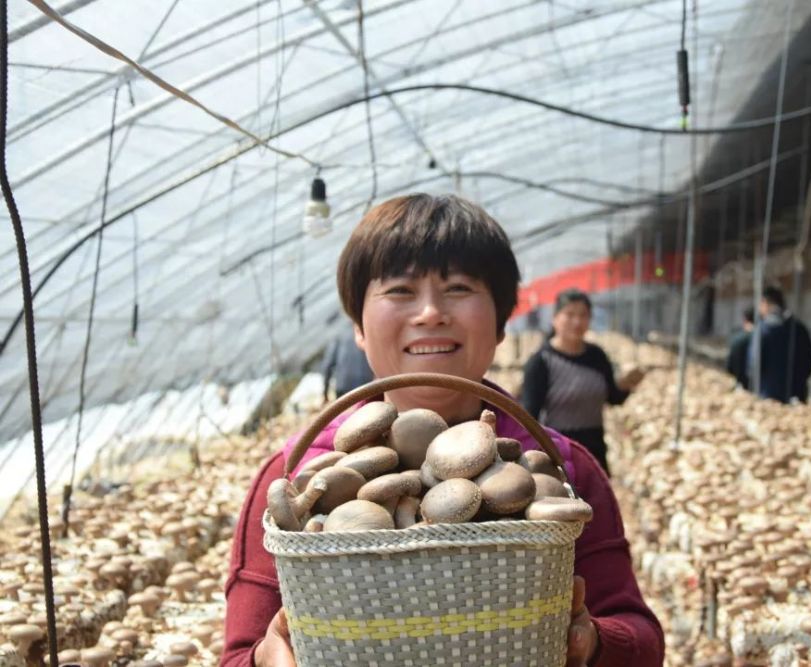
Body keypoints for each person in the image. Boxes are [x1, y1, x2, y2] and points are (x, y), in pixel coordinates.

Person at [221, 195, 664, 667]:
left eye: (458, 288)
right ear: (358, 326)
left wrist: (591, 642)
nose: (431, 312)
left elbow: (641, 640)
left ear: (500, 323)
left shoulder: (564, 467)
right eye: (399, 290)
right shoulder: (298, 474)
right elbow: (237, 655)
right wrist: (265, 659)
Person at [520, 288, 645, 475]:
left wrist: (628, 384)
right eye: (569, 315)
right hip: (558, 451)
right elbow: (530, 419)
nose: (577, 322)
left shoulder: (597, 356)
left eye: (583, 315)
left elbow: (613, 398)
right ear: (555, 319)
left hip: (594, 450)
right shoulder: (541, 362)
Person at [747, 286, 811, 403]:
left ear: (765, 303)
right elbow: (810, 360)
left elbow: (753, 365)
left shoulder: (763, 330)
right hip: (797, 397)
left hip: (767, 396)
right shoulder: (799, 328)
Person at [320, 314, 374, 401]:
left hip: (344, 388)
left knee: (350, 414)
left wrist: (325, 393)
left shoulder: (339, 336)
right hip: (366, 386)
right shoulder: (367, 332)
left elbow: (328, 366)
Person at [725, 307, 755, 390]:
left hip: (742, 384)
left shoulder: (736, 338)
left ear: (745, 319)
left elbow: (729, 367)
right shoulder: (763, 337)